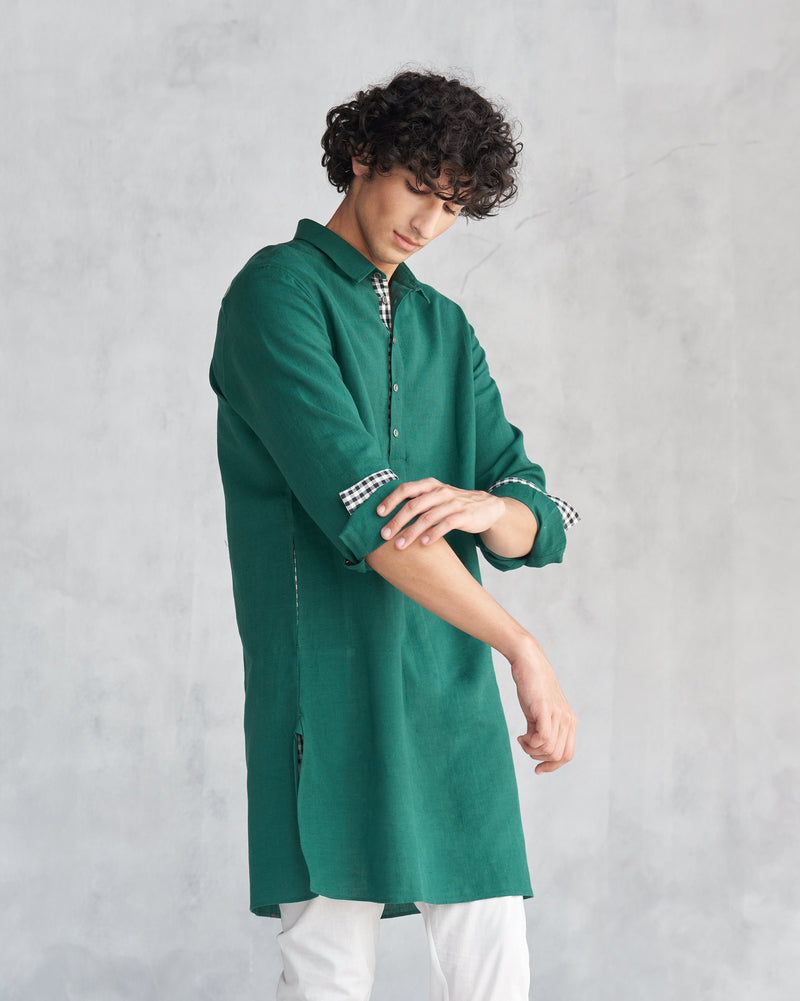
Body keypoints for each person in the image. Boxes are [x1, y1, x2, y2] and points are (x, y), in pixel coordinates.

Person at [210, 69, 580, 1001]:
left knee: (496, 977)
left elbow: (538, 512)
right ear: (361, 156)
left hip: (450, 696)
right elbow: (372, 518)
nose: (428, 223)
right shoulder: (275, 296)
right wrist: (522, 646)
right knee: (330, 977)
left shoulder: (443, 327)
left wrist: (491, 509)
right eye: (418, 188)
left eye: (452, 206)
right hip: (324, 693)